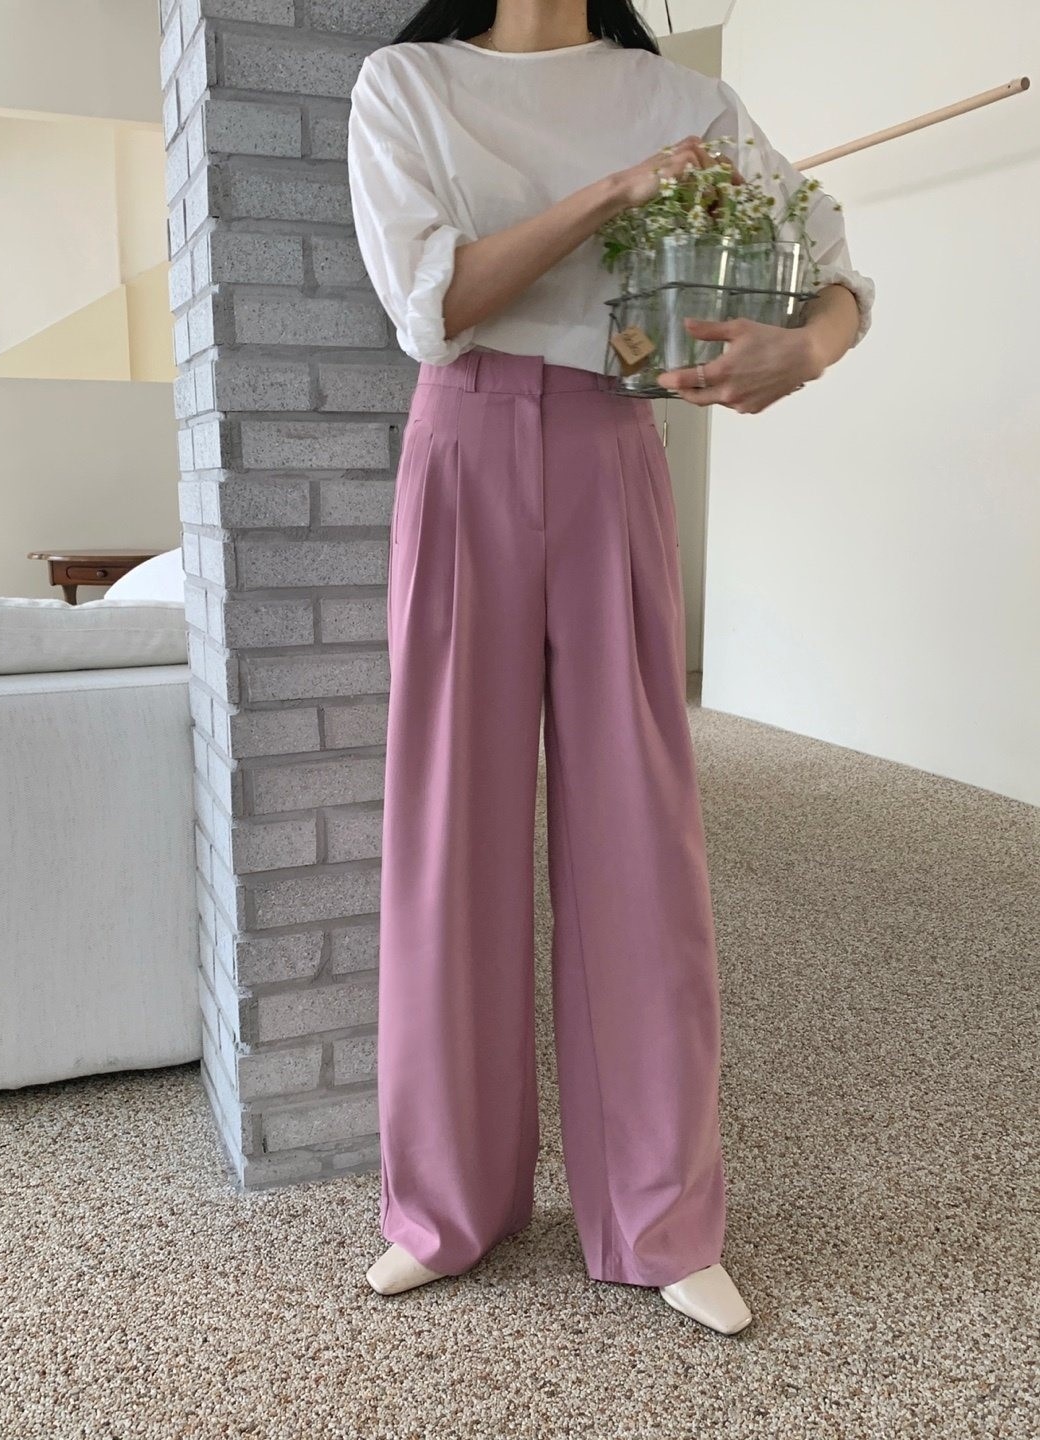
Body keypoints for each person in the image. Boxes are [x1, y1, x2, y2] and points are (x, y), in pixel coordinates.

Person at [346, 0, 874, 1334]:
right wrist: (617, 193)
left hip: (616, 444)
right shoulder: (407, 86)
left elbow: (830, 258)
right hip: (463, 441)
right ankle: (446, 1206)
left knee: (642, 834)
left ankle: (659, 1214)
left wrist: (805, 350)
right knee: (448, 834)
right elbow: (431, 306)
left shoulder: (681, 98)